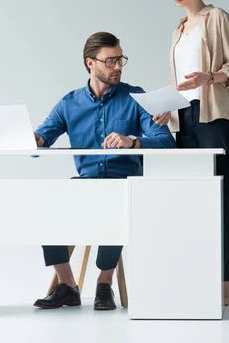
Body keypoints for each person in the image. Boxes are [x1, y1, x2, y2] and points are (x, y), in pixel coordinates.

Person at [33, 31, 175, 311]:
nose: (118, 66)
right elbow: (41, 139)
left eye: (120, 59)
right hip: (86, 184)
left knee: (116, 202)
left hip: (125, 184)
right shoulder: (69, 103)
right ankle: (67, 285)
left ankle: (104, 283)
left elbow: (165, 141)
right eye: (110, 61)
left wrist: (132, 141)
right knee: (46, 204)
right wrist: (33, 139)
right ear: (91, 63)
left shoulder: (137, 97)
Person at [153, 0, 229, 306]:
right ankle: (199, 271)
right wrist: (168, 106)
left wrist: (210, 77)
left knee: (223, 194)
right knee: (192, 198)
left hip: (213, 116)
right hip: (185, 117)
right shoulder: (178, 29)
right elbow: (181, 82)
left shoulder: (217, 18)